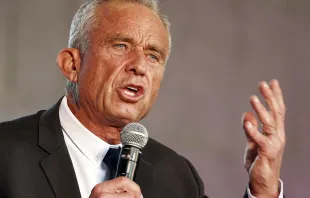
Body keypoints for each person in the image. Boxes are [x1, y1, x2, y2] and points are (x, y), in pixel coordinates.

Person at [0, 0, 286, 197]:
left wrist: (263, 190)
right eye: (121, 45)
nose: (139, 65)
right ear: (72, 65)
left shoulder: (177, 176)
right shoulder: (6, 153)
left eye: (153, 55)